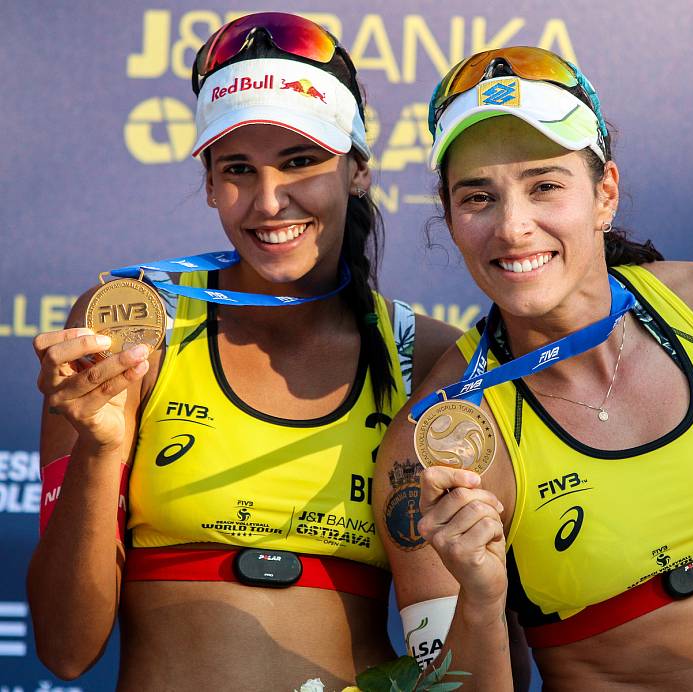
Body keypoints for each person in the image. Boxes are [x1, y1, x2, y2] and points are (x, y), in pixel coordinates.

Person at [27, 13, 459, 689]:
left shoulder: (427, 356)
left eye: (299, 162)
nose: (268, 201)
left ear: (358, 172)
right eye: (237, 169)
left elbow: (461, 659)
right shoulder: (135, 326)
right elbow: (64, 648)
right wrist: (101, 449)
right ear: (207, 182)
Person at [375, 46, 693, 690]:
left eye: (545, 186)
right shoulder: (439, 441)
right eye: (478, 198)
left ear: (606, 195)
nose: (514, 228)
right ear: (451, 220)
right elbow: (450, 687)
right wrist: (483, 600)